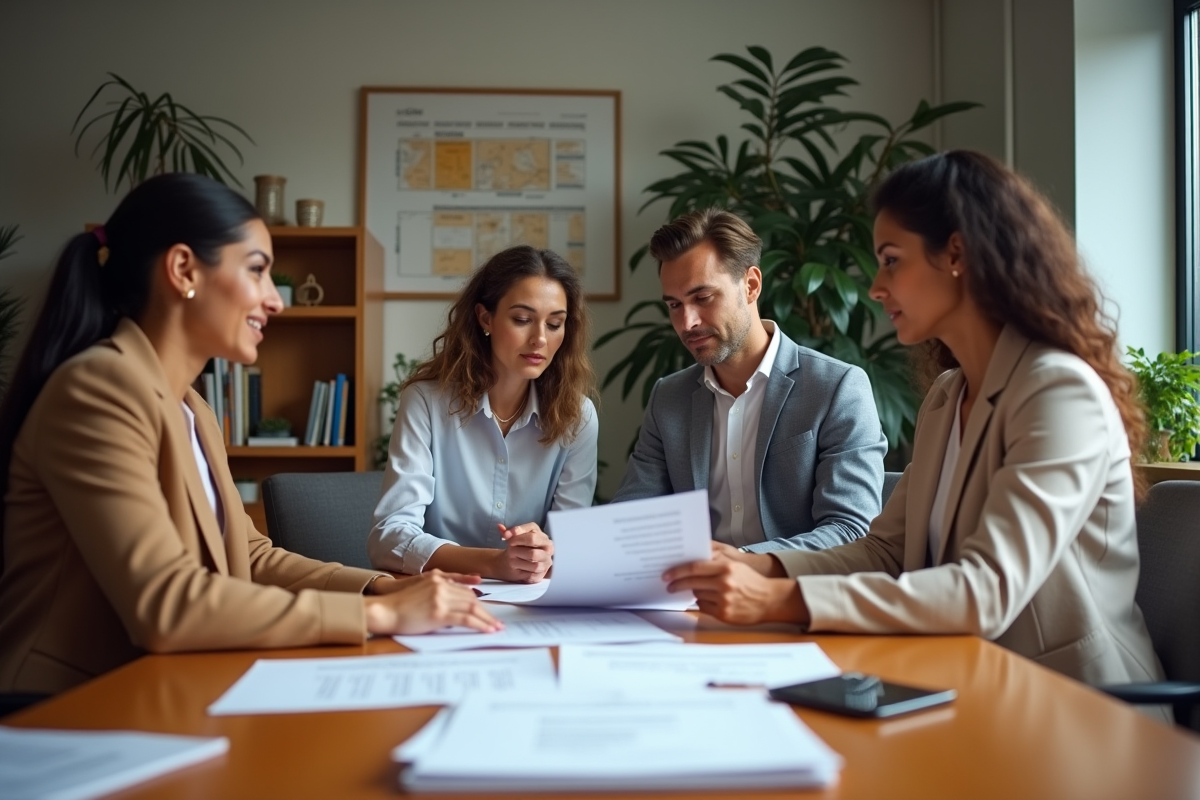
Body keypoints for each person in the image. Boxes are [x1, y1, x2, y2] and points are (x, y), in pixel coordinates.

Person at [663, 151, 1165, 692]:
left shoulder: (1058, 391)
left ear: (956, 253)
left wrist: (778, 599)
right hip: (960, 682)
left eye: (892, 260)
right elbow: (888, 552)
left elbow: (986, 591)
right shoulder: (950, 396)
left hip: (1073, 702)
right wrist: (757, 568)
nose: (877, 286)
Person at [0, 174, 499, 697]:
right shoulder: (98, 389)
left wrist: (384, 586)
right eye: (257, 270)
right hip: (61, 704)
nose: (274, 300)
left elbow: (250, 555)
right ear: (183, 269)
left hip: (157, 687)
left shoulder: (191, 406)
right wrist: (376, 613)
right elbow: (167, 605)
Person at [612, 208, 886, 553]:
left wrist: (741, 564)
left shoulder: (837, 388)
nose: (687, 322)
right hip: (690, 599)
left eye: (702, 298)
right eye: (674, 305)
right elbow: (632, 522)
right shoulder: (669, 397)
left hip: (792, 595)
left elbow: (851, 530)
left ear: (751, 285)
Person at [367, 246, 598, 582]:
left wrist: (544, 550)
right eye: (522, 319)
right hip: (437, 597)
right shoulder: (426, 403)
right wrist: (493, 563)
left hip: (530, 607)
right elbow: (388, 538)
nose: (539, 339)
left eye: (555, 324)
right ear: (485, 318)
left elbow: (570, 545)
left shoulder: (579, 417)